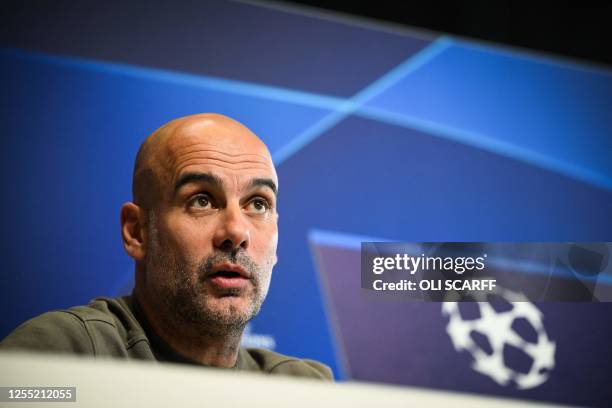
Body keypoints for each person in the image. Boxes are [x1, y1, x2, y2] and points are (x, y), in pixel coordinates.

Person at [0, 113, 333, 380]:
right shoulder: (66, 353)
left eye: (258, 204)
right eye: (202, 200)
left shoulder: (300, 387)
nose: (236, 231)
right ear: (137, 232)